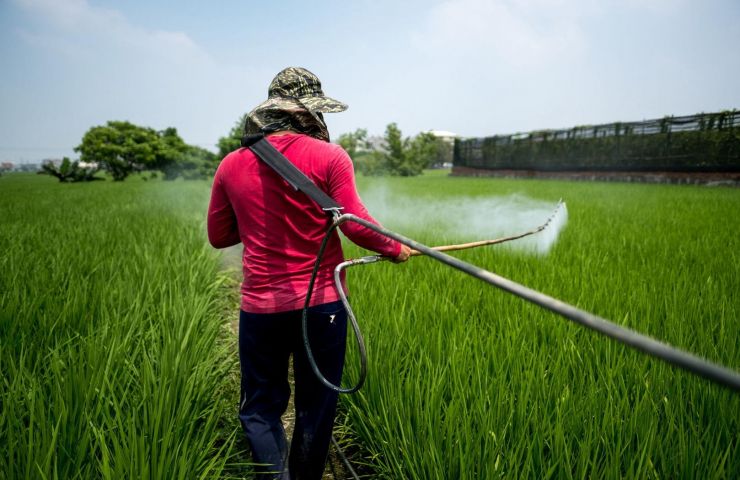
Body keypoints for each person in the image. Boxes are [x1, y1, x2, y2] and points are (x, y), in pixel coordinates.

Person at [207, 67, 411, 479]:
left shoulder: (232, 164)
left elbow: (219, 235)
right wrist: (394, 247)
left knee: (260, 406)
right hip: (322, 306)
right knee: (316, 404)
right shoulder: (330, 156)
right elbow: (354, 224)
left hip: (261, 307)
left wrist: (259, 220)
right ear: (308, 113)